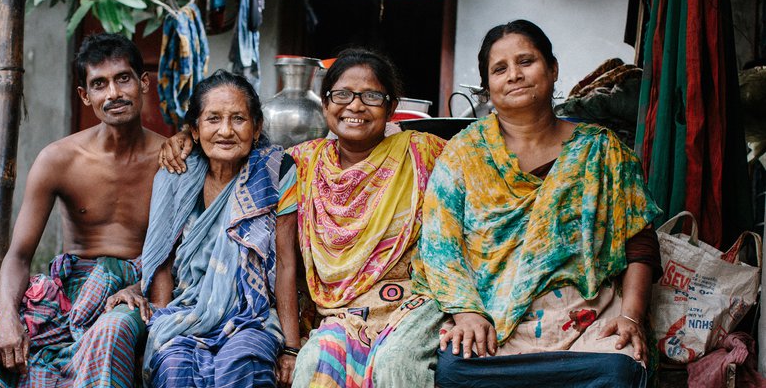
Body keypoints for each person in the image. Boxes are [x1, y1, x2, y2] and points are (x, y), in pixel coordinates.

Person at [161, 48, 448, 388]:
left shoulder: (424, 153)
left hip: (410, 308)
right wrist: (183, 138)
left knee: (395, 366)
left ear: (391, 106)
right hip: (339, 316)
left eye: (371, 96)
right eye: (341, 95)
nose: (355, 106)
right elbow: (241, 151)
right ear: (324, 103)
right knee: (315, 364)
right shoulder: (302, 162)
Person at [416, 20, 662, 388]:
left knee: (618, 371)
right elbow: (440, 248)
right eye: (500, 69)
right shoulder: (463, 155)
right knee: (456, 371)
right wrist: (466, 313)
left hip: (587, 317)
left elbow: (639, 243)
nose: (514, 75)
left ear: (553, 69)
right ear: (487, 88)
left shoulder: (602, 150)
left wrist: (631, 317)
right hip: (495, 321)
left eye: (526, 61)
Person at [0, 33, 166, 387]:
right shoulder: (58, 159)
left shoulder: (172, 159)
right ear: (84, 96)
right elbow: (19, 255)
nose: (114, 94)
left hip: (138, 293)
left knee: (112, 329)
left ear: (143, 82)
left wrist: (140, 285)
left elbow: (188, 249)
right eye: (99, 84)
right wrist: (8, 316)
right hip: (67, 293)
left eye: (123, 78)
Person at [108, 70, 285, 387]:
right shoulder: (176, 175)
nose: (226, 131)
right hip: (186, 310)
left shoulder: (273, 172)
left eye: (239, 119)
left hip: (251, 316)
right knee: (176, 366)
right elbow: (162, 257)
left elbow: (286, 262)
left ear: (257, 127)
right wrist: (163, 317)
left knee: (242, 362)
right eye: (213, 119)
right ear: (194, 129)